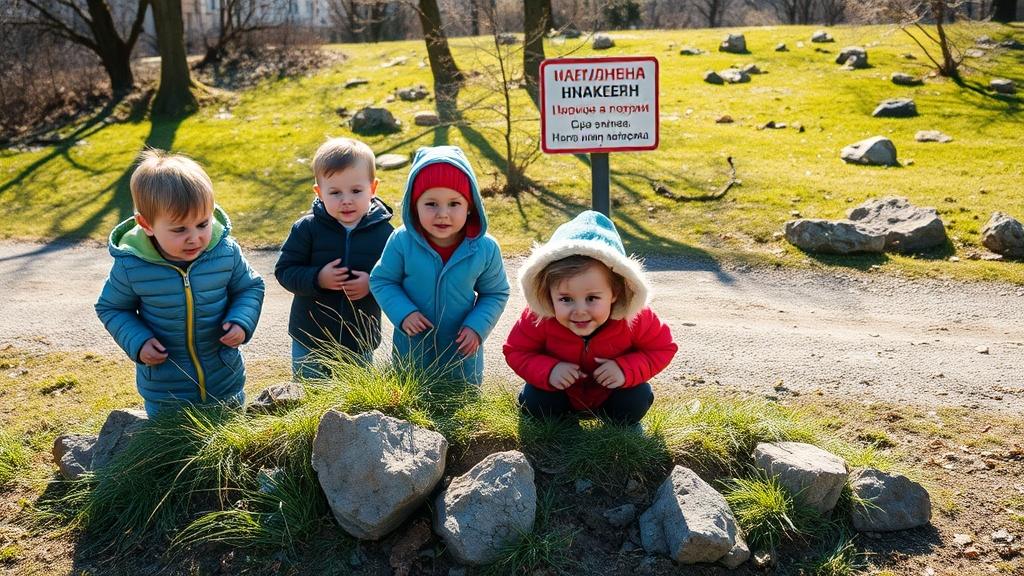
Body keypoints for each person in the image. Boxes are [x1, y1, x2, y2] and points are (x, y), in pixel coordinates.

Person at [96, 150, 265, 417]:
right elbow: (112, 308)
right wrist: (138, 342)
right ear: (146, 224)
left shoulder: (224, 251)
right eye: (179, 229)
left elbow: (250, 287)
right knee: (174, 454)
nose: (195, 238)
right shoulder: (132, 265)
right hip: (166, 393)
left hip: (224, 381)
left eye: (202, 224)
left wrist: (241, 321)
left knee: (229, 447)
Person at [503, 210, 677, 425]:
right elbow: (516, 350)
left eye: (592, 298)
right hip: (560, 392)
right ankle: (560, 426)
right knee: (536, 400)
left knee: (636, 397)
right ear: (548, 294)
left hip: (610, 394)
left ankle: (619, 430)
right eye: (566, 299)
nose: (579, 310)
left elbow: (662, 348)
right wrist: (549, 370)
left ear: (615, 293)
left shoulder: (635, 318)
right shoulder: (539, 318)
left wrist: (625, 369)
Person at [370, 145, 509, 384]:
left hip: (461, 355)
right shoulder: (402, 241)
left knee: (462, 411)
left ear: (470, 207)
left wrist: (477, 327)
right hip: (411, 352)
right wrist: (404, 313)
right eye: (431, 204)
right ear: (414, 206)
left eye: (454, 204)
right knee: (410, 405)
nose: (442, 214)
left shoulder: (485, 248)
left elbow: (495, 292)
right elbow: (382, 280)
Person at [275, 137, 394, 378]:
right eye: (335, 192)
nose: (346, 200)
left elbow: (397, 277)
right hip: (310, 336)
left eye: (356, 191)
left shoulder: (385, 233)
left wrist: (371, 284)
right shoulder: (307, 229)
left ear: (373, 189)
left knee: (354, 400)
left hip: (358, 339)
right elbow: (285, 271)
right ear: (319, 192)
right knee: (310, 394)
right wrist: (317, 278)